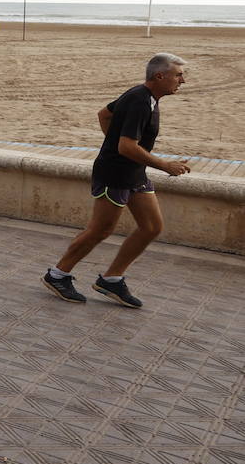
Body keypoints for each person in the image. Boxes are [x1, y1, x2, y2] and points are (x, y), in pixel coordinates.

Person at [42, 54, 191, 308]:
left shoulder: (145, 97)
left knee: (152, 227)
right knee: (100, 230)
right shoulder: (139, 101)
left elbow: (103, 115)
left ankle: (111, 279)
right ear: (159, 76)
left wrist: (113, 144)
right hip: (115, 174)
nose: (183, 80)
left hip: (134, 173)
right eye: (178, 75)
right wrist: (164, 165)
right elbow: (126, 146)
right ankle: (58, 275)